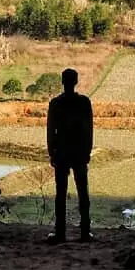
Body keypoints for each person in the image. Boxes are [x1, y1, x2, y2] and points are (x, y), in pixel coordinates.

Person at [46, 68, 93, 243]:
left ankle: (60, 233)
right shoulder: (84, 102)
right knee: (83, 193)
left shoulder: (56, 103)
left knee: (60, 194)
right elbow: (89, 130)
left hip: (62, 151)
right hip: (79, 151)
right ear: (76, 81)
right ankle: (85, 232)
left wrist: (52, 152)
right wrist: (87, 151)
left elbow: (51, 131)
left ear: (62, 81)